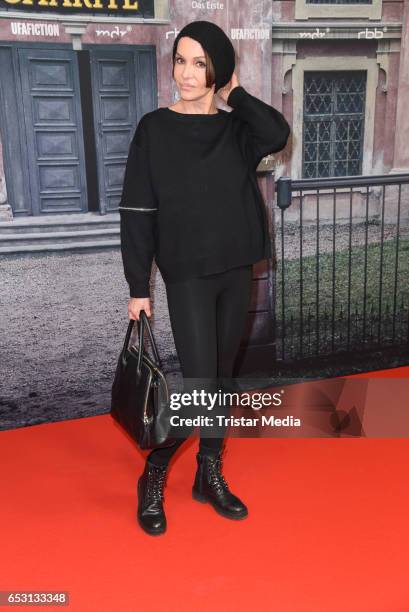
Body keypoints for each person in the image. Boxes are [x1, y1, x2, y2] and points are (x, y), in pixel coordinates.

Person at [119, 20, 291, 536]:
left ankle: (207, 473)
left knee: (221, 374)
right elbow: (137, 210)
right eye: (180, 60)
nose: (186, 73)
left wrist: (233, 90)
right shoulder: (154, 127)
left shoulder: (238, 128)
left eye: (200, 62)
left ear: (217, 69)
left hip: (236, 265)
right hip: (188, 272)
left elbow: (277, 134)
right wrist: (137, 287)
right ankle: (155, 469)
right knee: (202, 381)